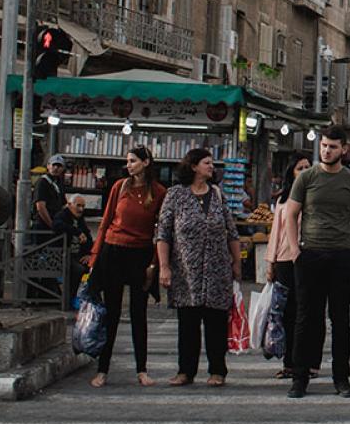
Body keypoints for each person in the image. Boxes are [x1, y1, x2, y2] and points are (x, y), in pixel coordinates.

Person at [280, 126, 350, 399]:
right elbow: (290, 215)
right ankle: (300, 378)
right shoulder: (306, 177)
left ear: (344, 149)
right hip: (310, 255)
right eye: (324, 146)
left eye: (332, 146)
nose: (327, 150)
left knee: (340, 320)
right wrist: (295, 250)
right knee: (306, 318)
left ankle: (342, 379)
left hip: (342, 255)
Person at [156, 148, 242, 387]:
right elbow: (163, 234)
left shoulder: (217, 194)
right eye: (206, 162)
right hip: (186, 271)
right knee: (188, 324)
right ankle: (186, 371)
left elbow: (231, 231)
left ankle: (217, 370)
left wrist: (236, 262)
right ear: (193, 166)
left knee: (216, 323)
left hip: (217, 270)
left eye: (211, 163)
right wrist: (164, 267)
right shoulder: (175, 195)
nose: (211, 167)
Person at [86, 147, 166, 388]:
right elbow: (106, 221)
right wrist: (94, 257)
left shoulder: (159, 192)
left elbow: (161, 231)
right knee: (111, 313)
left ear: (145, 162)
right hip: (113, 250)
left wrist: (154, 263)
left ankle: (141, 369)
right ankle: (103, 370)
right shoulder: (120, 187)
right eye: (127, 161)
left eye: (133, 161)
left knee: (138, 314)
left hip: (140, 254)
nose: (129, 165)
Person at [266, 154, 312, 379]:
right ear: (291, 173)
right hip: (285, 259)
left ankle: (308, 362)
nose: (304, 170)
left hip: (308, 258)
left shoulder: (314, 195)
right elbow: (276, 231)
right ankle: (289, 362)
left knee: (306, 311)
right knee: (285, 313)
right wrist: (271, 261)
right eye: (299, 168)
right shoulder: (283, 200)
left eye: (307, 167)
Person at [52, 194, 92, 306]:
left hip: (78, 254)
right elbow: (57, 225)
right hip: (63, 253)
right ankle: (71, 298)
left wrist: (89, 254)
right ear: (70, 205)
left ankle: (90, 298)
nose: (81, 209)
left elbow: (88, 237)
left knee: (96, 266)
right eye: (78, 205)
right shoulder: (62, 215)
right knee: (78, 269)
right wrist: (76, 232)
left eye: (83, 206)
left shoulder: (80, 219)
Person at [33, 155, 67, 230]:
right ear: (48, 166)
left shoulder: (59, 182)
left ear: (63, 168)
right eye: (54, 165)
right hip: (43, 225)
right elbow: (40, 206)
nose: (56, 168)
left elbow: (64, 204)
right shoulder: (43, 182)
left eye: (59, 166)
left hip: (55, 221)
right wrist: (51, 224)